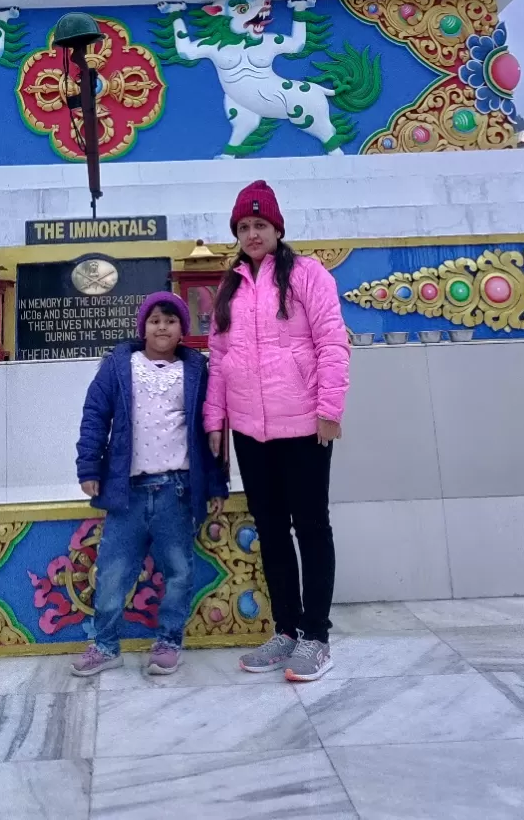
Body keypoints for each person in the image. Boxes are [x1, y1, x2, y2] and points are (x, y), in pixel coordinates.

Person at [203, 179, 349, 682]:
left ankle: (317, 636)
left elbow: (333, 342)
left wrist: (329, 409)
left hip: (304, 425)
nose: (251, 233)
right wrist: (216, 421)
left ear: (277, 227)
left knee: (311, 526)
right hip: (250, 430)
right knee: (271, 531)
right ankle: (285, 629)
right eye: (243, 226)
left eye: (259, 224)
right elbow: (219, 359)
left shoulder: (308, 274)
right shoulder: (230, 286)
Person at [72, 291, 227, 677]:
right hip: (128, 493)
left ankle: (169, 641)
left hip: (176, 491)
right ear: (143, 326)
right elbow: (95, 415)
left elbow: (211, 431)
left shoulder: (195, 371)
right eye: (155, 320)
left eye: (171, 321)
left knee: (178, 570)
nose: (162, 327)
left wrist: (217, 485)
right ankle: (106, 646)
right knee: (112, 572)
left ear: (182, 330)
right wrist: (89, 468)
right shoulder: (119, 366)